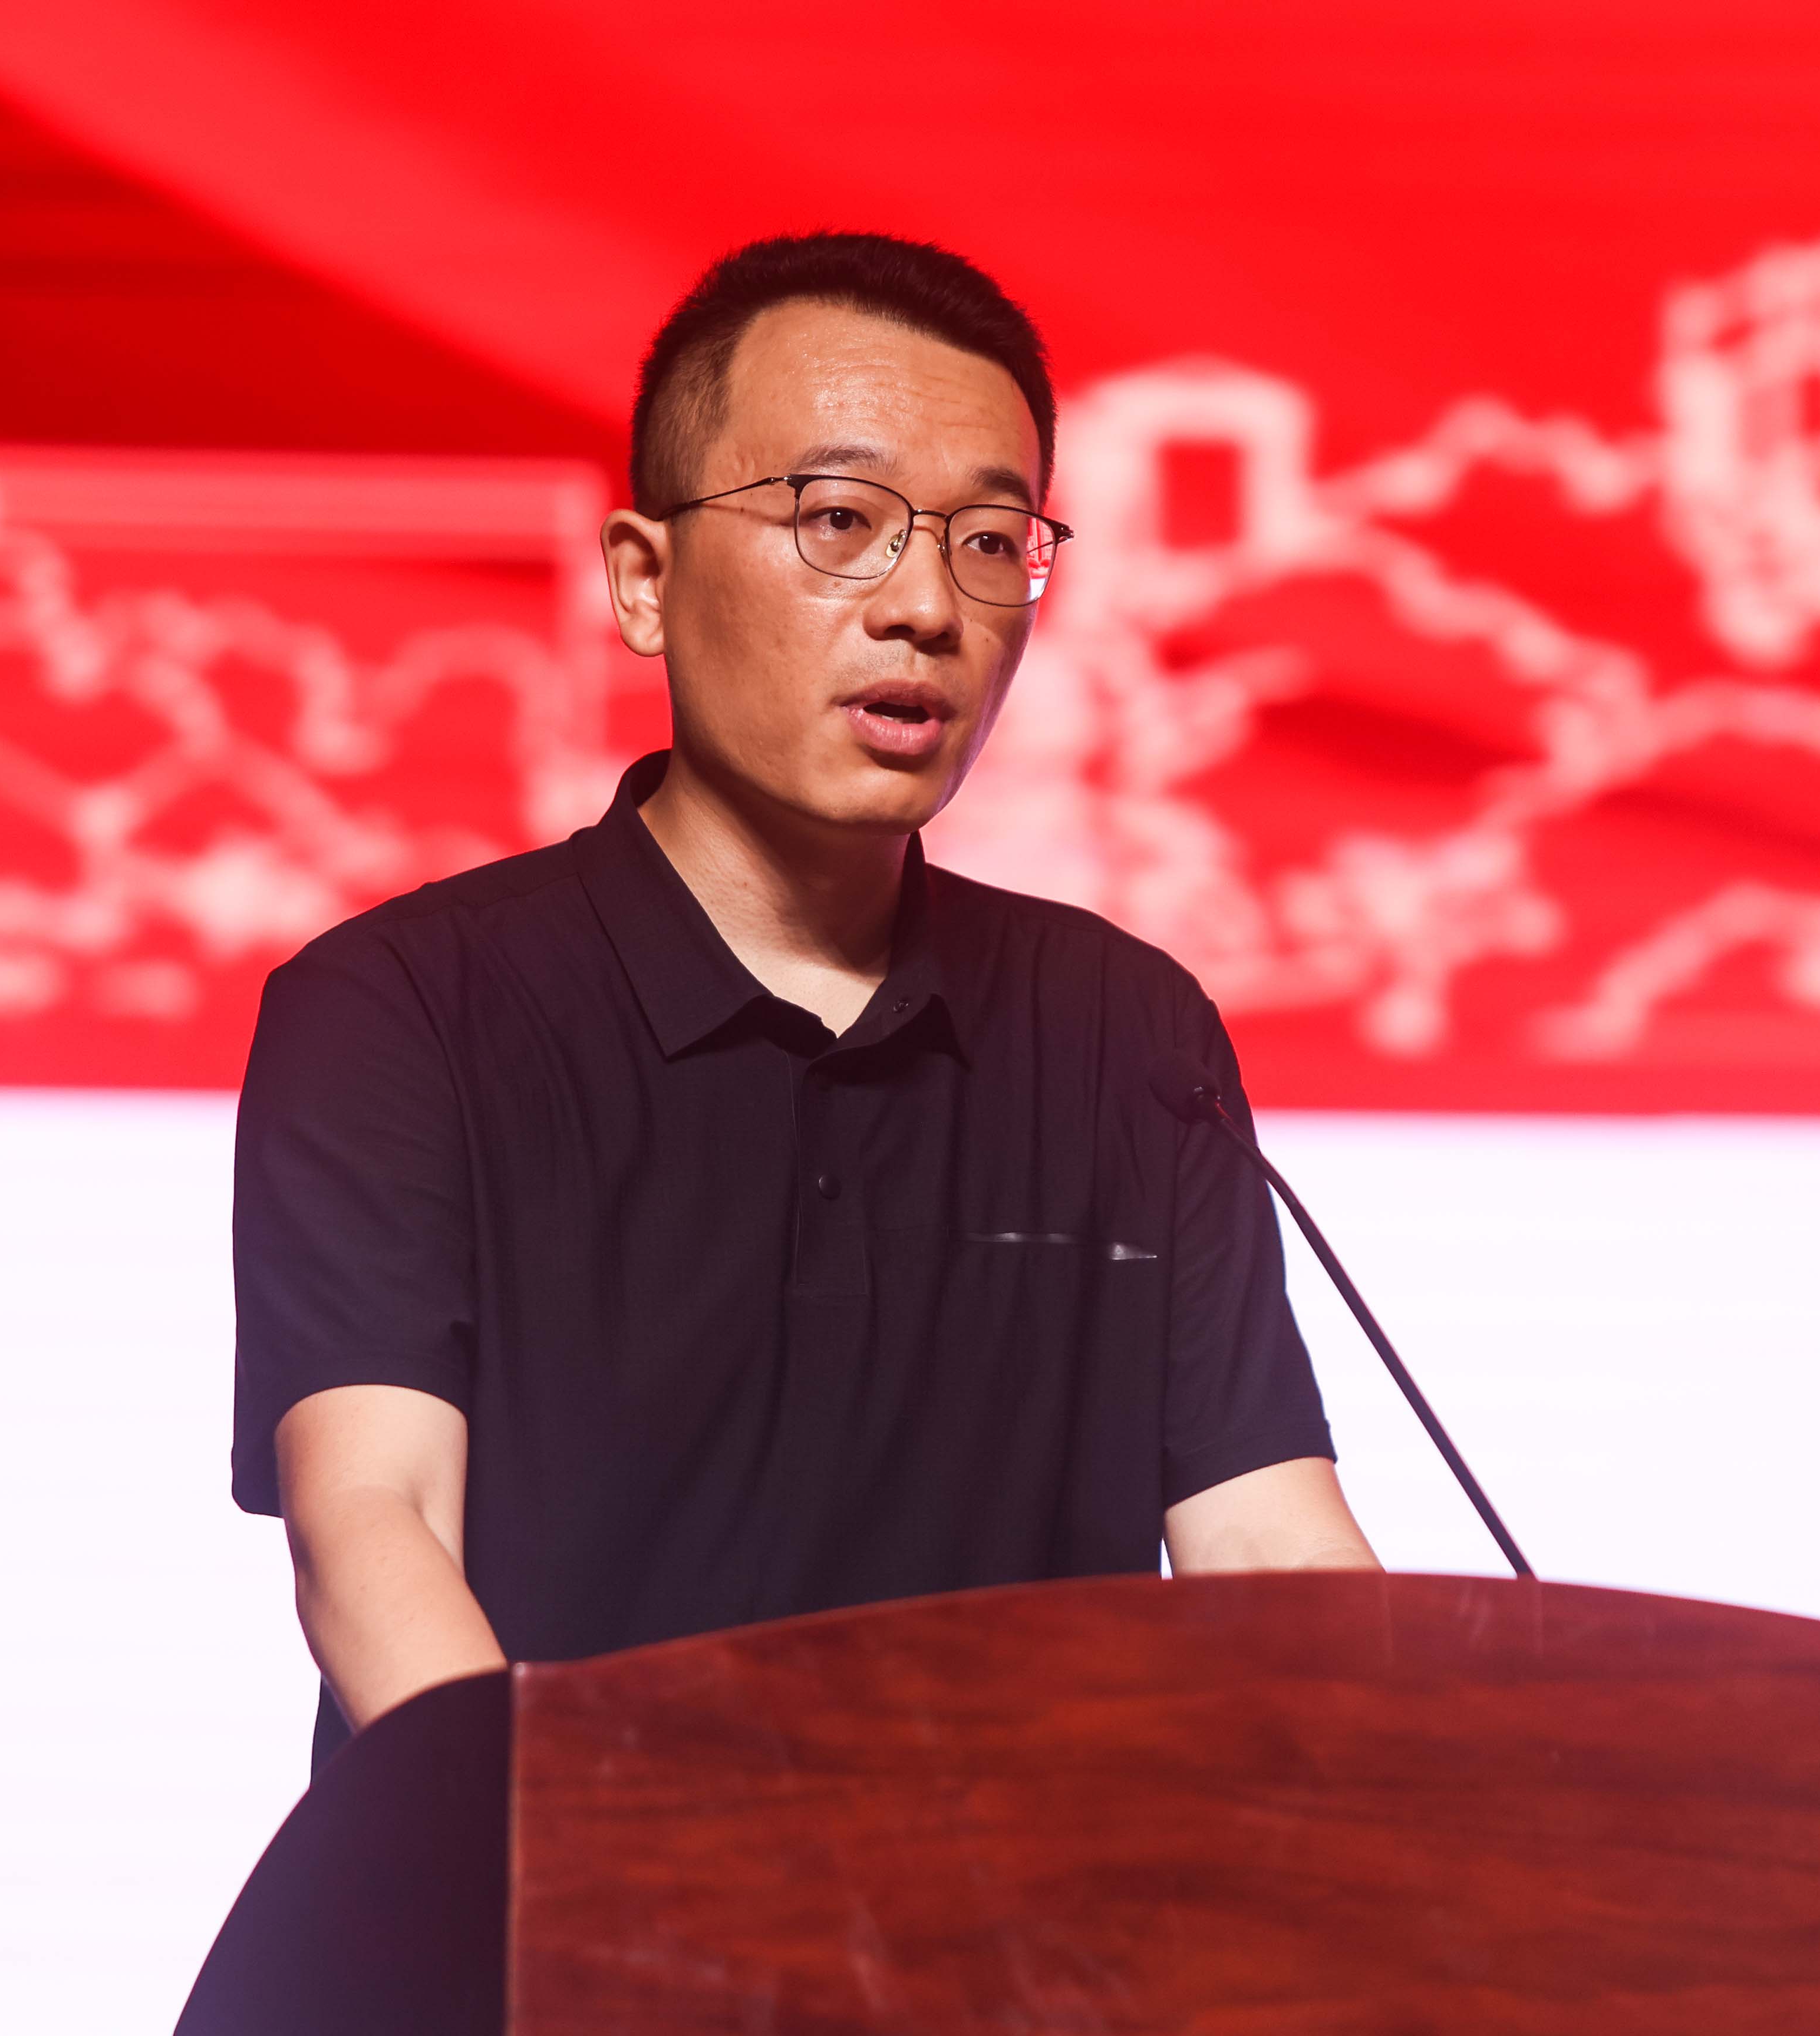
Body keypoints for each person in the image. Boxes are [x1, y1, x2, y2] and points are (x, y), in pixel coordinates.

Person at [231, 232, 1377, 1768]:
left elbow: (1269, 1547)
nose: (928, 608)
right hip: (530, 1898)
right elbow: (375, 1522)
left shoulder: (1126, 1037)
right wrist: (573, 1867)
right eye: (841, 519)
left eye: (990, 542)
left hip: (1003, 1920)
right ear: (644, 581)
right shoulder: (403, 1014)